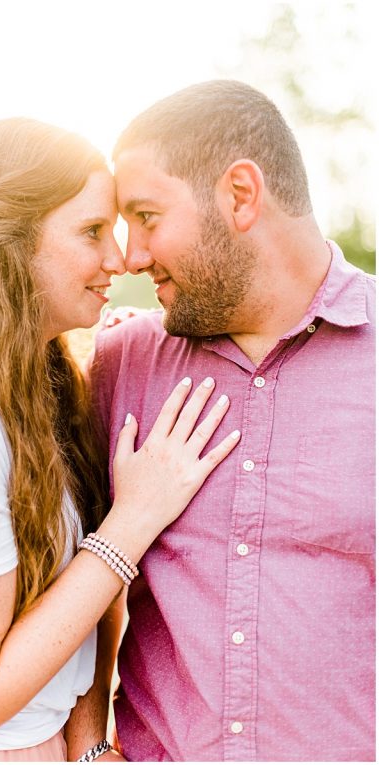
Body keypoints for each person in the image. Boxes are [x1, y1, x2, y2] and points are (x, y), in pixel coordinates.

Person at [0, 118, 242, 761]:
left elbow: (69, 605)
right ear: (6, 243)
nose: (119, 259)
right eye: (92, 232)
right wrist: (136, 518)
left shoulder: (33, 381)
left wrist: (88, 747)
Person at [90, 80, 376, 761]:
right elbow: (63, 580)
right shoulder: (118, 363)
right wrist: (88, 752)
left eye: (147, 216)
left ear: (240, 195)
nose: (131, 256)